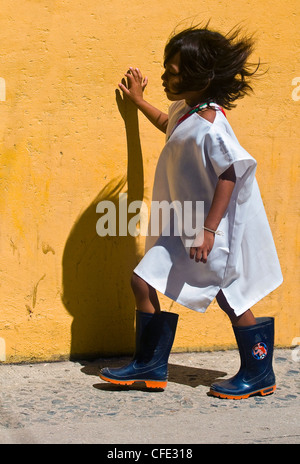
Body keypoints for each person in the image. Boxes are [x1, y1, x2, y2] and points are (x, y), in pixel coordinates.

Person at [100, 25, 283, 399]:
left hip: (209, 227)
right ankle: (150, 364)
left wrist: (209, 229)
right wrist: (138, 101)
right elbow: (170, 126)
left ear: (203, 77)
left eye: (174, 72)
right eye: (166, 70)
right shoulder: (188, 110)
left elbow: (230, 172)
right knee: (143, 279)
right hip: (184, 223)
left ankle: (259, 369)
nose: (166, 78)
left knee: (230, 296)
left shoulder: (213, 125)